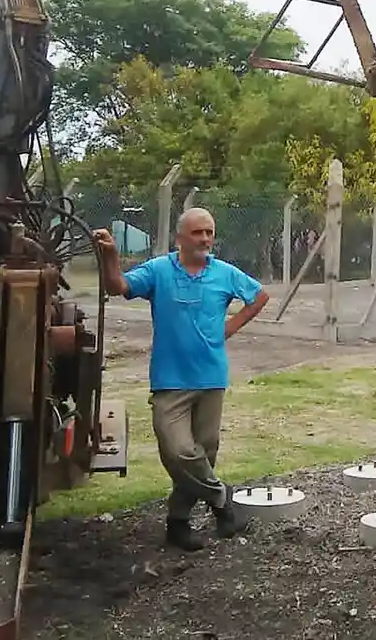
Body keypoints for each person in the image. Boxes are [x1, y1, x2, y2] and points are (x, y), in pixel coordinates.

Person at [92, 207, 271, 551]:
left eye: (209, 232)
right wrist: (110, 256)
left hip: (211, 377)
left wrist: (229, 328)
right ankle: (222, 500)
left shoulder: (223, 273)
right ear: (179, 238)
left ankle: (178, 522)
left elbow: (259, 296)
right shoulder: (159, 271)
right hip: (170, 381)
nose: (205, 239)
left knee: (204, 452)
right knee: (178, 451)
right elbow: (118, 286)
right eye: (197, 233)